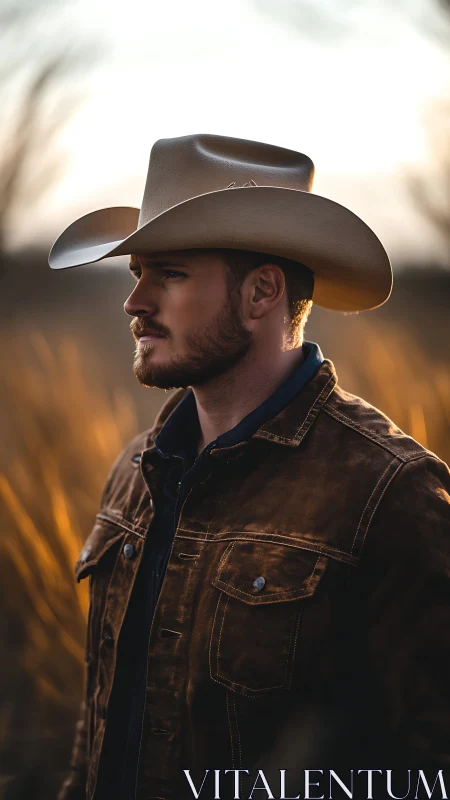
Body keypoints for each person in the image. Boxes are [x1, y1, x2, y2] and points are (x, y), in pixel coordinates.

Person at [49, 134, 450, 800]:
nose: (135, 302)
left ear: (262, 291)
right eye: (136, 273)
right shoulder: (136, 472)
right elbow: (97, 740)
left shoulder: (388, 493)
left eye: (169, 274)